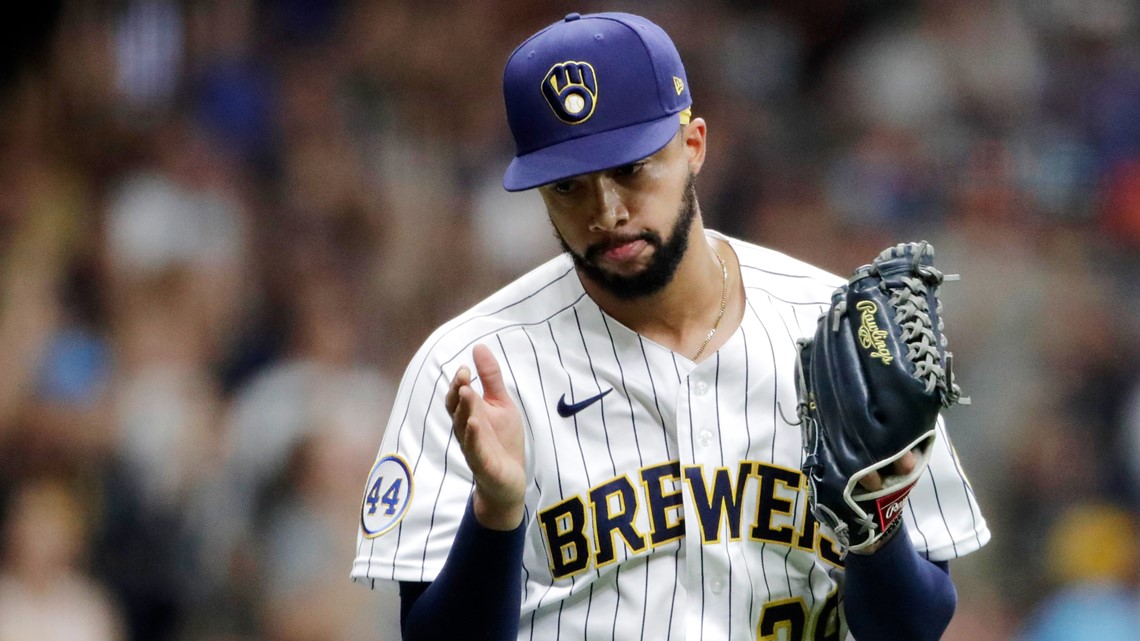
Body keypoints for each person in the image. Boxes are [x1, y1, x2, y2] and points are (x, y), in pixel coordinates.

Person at [351, 12, 990, 641]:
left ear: (693, 146)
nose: (607, 210)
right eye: (568, 187)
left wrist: (872, 522)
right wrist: (496, 512)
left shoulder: (842, 334)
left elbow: (914, 626)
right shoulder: (473, 367)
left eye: (631, 169)